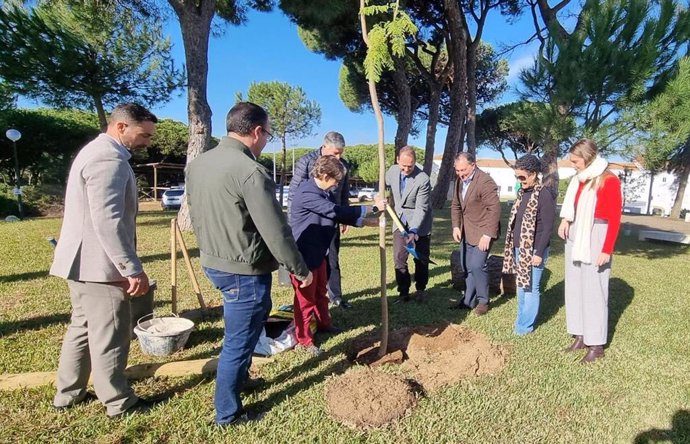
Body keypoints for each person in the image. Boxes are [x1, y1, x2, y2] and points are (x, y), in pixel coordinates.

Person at [186, 102, 313, 426]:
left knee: (242, 330)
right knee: (238, 342)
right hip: (243, 269)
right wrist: (299, 269)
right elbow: (276, 230)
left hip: (214, 261)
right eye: (268, 134)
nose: (266, 140)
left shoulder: (200, 164)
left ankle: (241, 380)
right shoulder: (250, 171)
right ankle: (227, 413)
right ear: (257, 131)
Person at [50, 103, 158, 418]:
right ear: (122, 126)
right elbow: (107, 221)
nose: (147, 141)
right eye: (144, 134)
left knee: (82, 327)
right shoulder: (107, 159)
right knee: (111, 334)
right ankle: (118, 402)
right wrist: (131, 268)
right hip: (99, 267)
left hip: (80, 263)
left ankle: (67, 393)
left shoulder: (94, 152)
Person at [289, 155, 384, 355]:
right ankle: (304, 341)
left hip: (320, 251)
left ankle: (324, 324)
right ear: (324, 175)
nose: (337, 184)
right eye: (336, 180)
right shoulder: (307, 192)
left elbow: (339, 213)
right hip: (304, 255)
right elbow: (334, 212)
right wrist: (372, 208)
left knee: (321, 293)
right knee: (305, 300)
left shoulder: (325, 191)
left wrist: (366, 222)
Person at [558, 139, 622, 363]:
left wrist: (606, 249)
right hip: (576, 232)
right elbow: (573, 205)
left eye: (575, 161)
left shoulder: (608, 180)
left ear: (587, 157)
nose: (573, 165)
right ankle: (581, 335)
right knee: (575, 286)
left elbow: (614, 218)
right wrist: (566, 220)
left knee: (594, 290)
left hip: (596, 234)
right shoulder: (581, 179)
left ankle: (596, 344)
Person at [288, 131, 353, 309]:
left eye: (341, 153)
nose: (338, 157)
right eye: (335, 153)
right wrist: (293, 223)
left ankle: (335, 296)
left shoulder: (344, 166)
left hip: (333, 217)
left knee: (332, 259)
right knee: (311, 261)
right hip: (311, 221)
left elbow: (344, 192)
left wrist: (345, 216)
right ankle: (308, 298)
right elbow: (294, 193)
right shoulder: (306, 162)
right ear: (324, 147)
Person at [502, 154, 556, 335]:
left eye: (522, 177)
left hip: (534, 250)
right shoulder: (522, 193)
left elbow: (548, 228)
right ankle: (521, 321)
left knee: (531, 288)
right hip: (519, 249)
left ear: (533, 174)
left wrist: (539, 253)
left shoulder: (544, 195)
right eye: (517, 177)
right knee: (521, 286)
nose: (520, 180)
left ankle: (524, 327)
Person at [449, 152, 501, 315]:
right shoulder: (459, 181)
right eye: (457, 171)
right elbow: (456, 205)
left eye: (463, 170)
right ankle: (467, 301)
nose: (460, 174)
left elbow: (495, 209)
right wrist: (456, 226)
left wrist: (488, 234)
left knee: (478, 265)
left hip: (483, 231)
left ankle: (484, 301)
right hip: (467, 231)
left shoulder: (485, 181)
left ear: (473, 164)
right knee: (467, 267)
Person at [384, 146, 433, 303]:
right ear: (398, 160)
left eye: (410, 166)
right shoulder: (392, 171)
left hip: (419, 223)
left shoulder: (423, 179)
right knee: (399, 257)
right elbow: (384, 184)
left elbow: (421, 208)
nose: (406, 169)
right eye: (403, 165)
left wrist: (413, 230)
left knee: (420, 258)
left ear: (415, 162)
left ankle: (420, 289)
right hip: (399, 220)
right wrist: (382, 197)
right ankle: (403, 292)